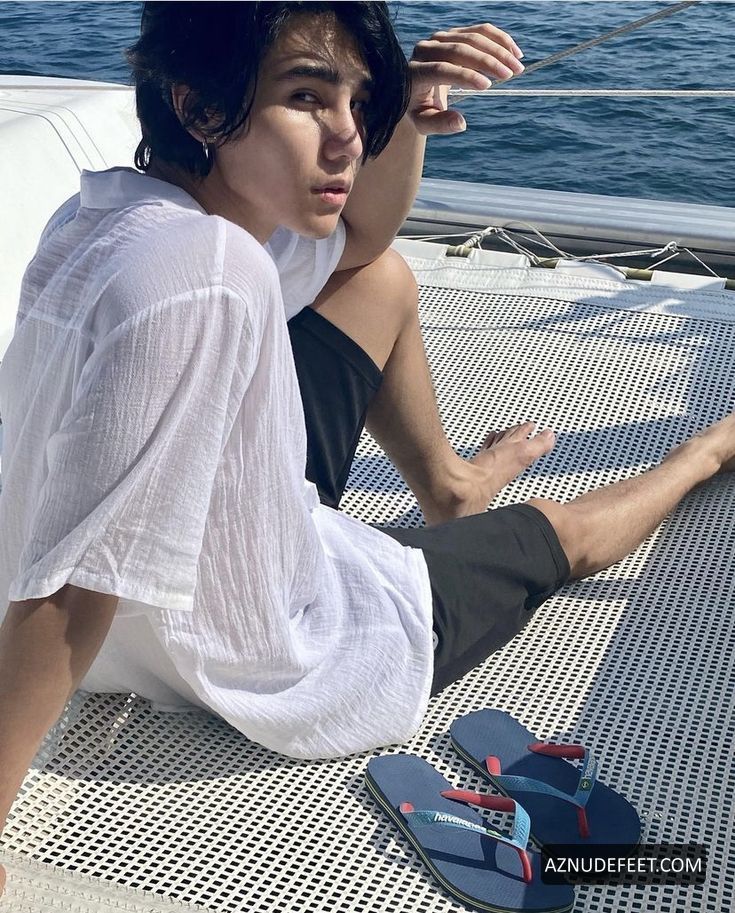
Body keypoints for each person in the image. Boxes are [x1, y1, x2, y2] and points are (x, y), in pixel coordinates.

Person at [1, 2, 733, 897]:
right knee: (553, 534)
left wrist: (403, 111)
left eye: (360, 100)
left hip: (201, 557)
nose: (348, 136)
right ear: (199, 106)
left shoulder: (110, 211)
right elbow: (76, 586)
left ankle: (451, 487)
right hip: (244, 642)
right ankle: (709, 451)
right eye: (307, 97)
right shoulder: (208, 272)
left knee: (377, 280)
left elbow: (362, 245)